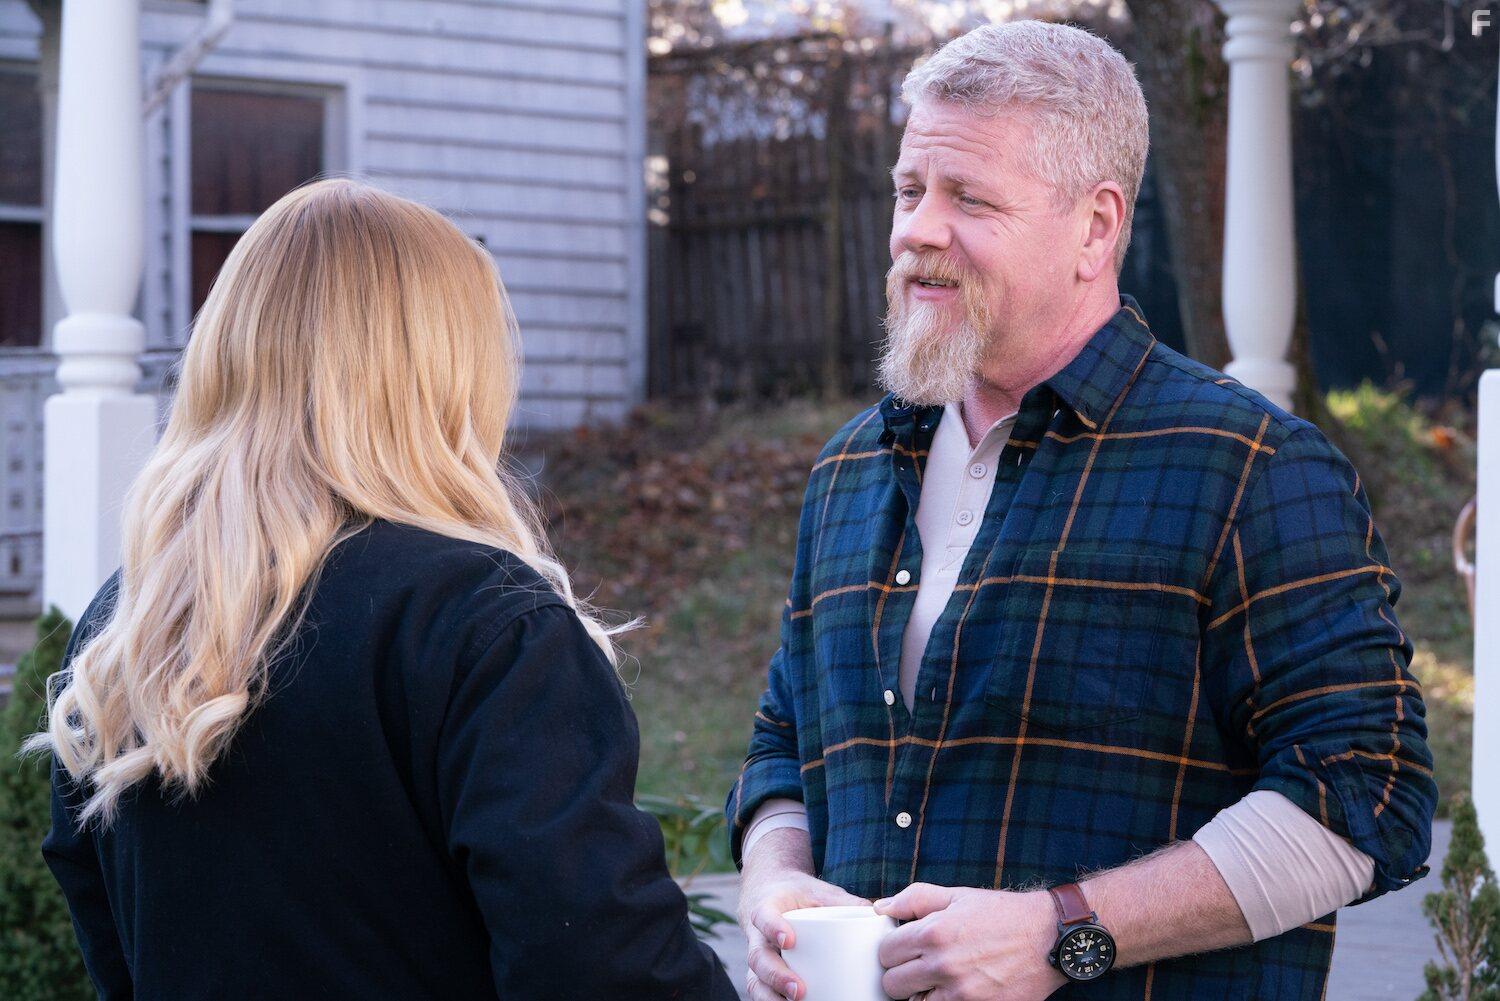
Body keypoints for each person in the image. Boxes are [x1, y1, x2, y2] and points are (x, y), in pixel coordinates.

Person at [727, 21, 1437, 1001]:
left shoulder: (1251, 468)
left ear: (1096, 227)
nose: (918, 230)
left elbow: (1370, 797)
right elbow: (783, 737)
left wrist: (1064, 932)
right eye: (908, 189)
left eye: (968, 197)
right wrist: (774, 882)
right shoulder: (853, 464)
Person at [29, 178, 737, 1001]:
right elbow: (602, 971)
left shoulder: (130, 629)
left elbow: (116, 949)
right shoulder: (489, 627)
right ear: (444, 373)